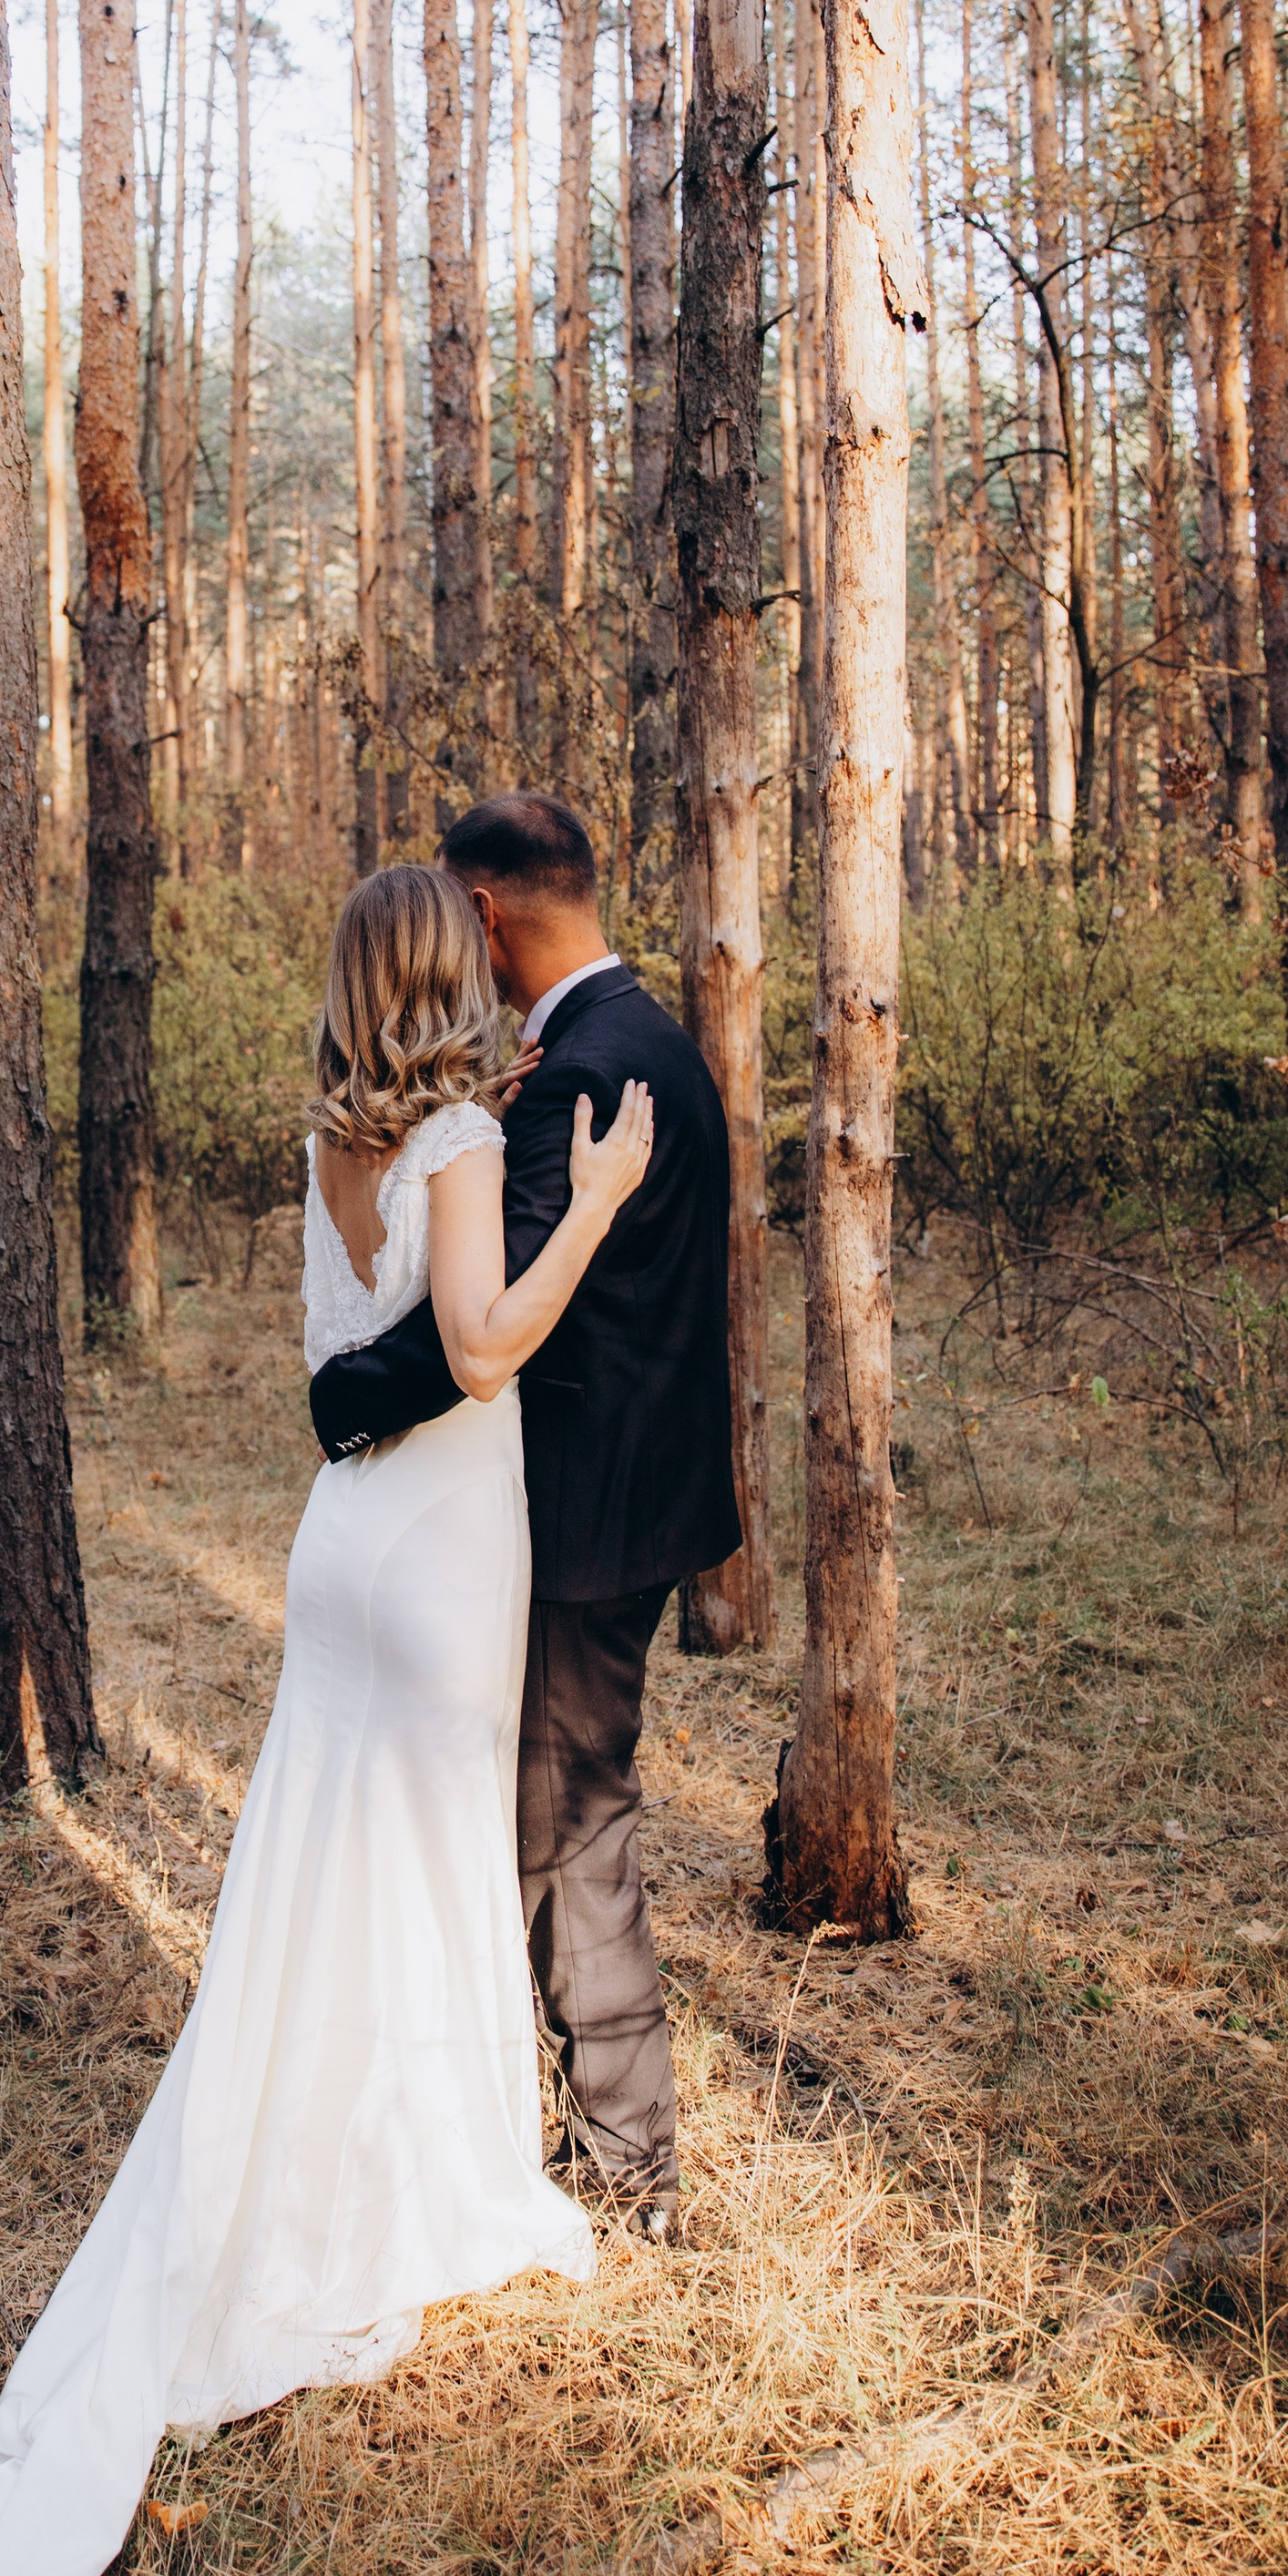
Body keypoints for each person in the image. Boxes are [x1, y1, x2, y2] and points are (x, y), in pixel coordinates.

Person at [0, 859, 655, 2576]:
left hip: (339, 1541)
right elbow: (484, 1347)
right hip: (433, 1554)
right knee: (415, 1868)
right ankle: (431, 2181)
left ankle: (356, 2153)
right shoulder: (460, 1150)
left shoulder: (330, 1151)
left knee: (326, 1881)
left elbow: (339, 1369)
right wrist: (590, 1204)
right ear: (447, 982)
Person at [310, 792, 742, 2213]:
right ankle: (507, 2123)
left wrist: (343, 1395)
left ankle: (627, 2167)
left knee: (567, 1833)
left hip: (573, 1528)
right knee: (534, 1824)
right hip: (635, 1505)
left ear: (485, 914)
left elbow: (479, 1331)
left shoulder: (574, 1079)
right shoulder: (654, 1043)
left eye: (458, 916)